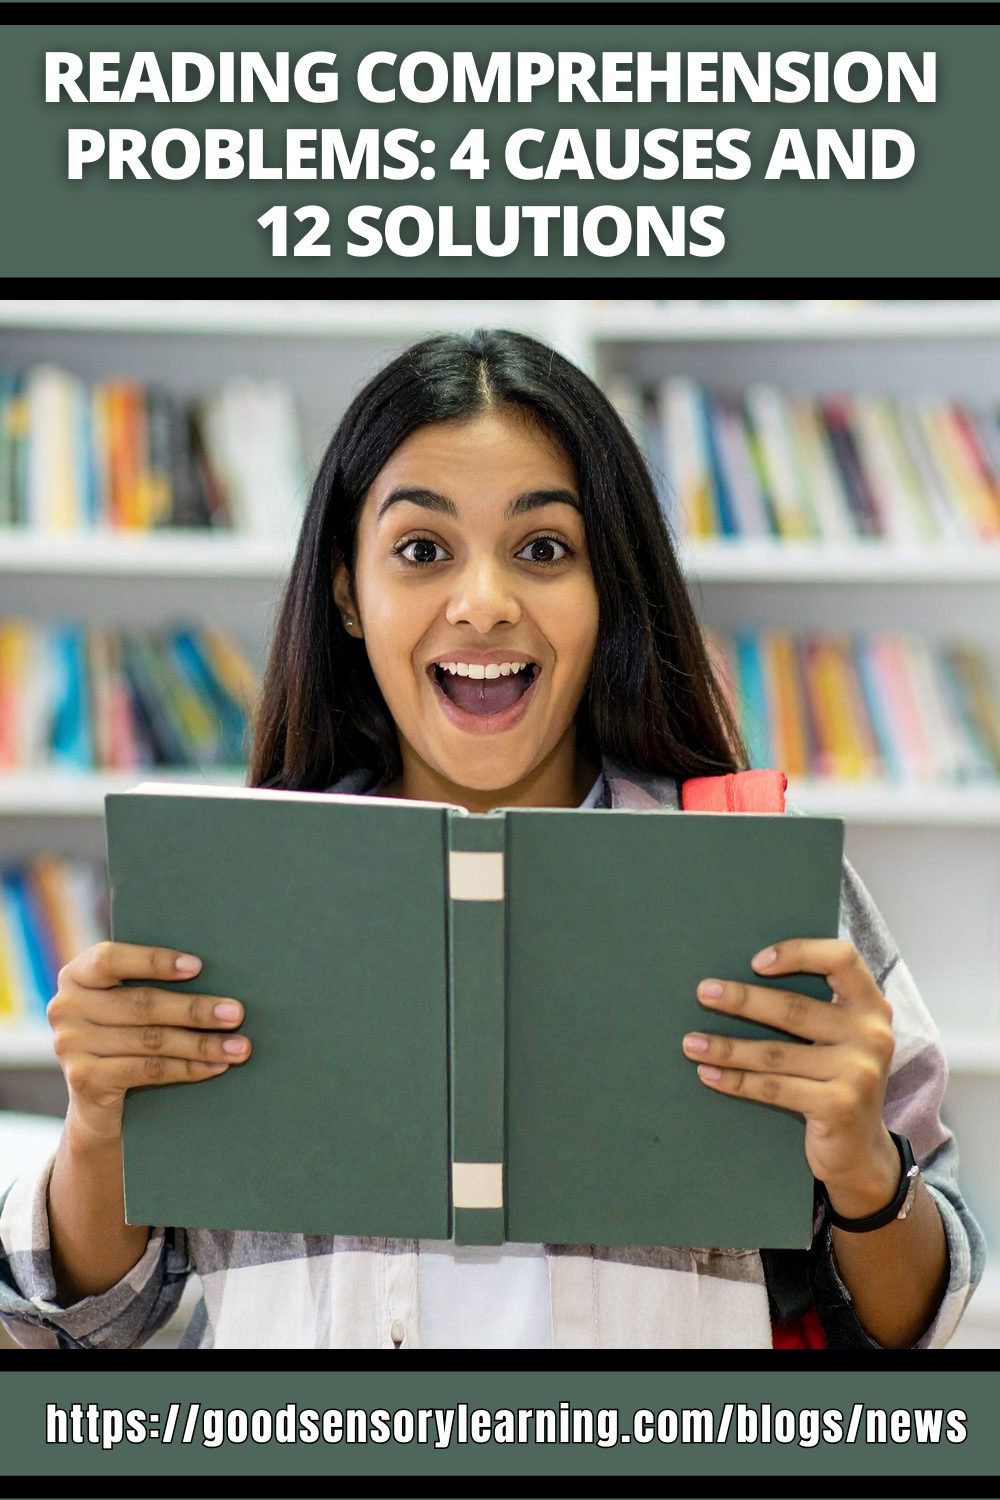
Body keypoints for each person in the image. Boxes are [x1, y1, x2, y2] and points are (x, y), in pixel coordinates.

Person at [0, 329, 985, 1350]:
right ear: (348, 591)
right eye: (422, 551)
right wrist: (102, 1126)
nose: (483, 603)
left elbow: (916, 1324)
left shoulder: (756, 881)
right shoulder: (237, 893)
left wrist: (864, 1165)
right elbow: (82, 1326)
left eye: (544, 550)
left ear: (609, 591)